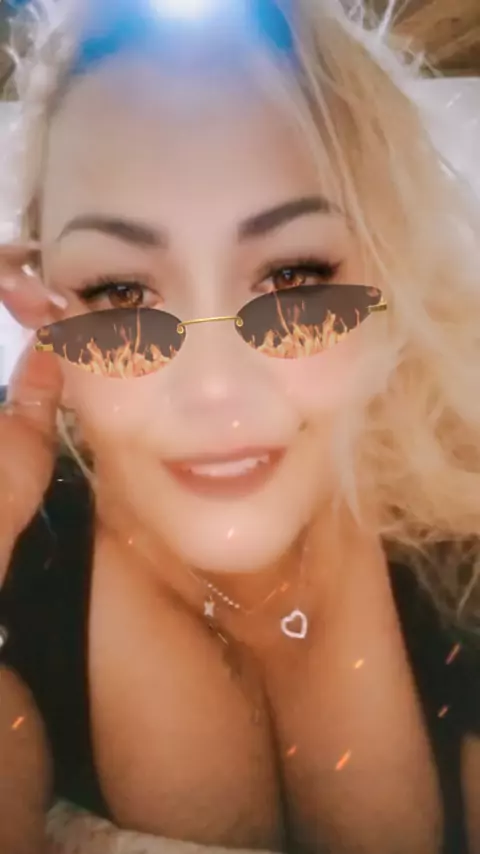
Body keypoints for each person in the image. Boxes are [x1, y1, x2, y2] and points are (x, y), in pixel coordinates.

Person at [0, 0, 479, 852]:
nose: (214, 390)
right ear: (43, 304)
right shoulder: (19, 551)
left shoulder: (464, 539)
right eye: (120, 292)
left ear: (392, 276)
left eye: (293, 278)